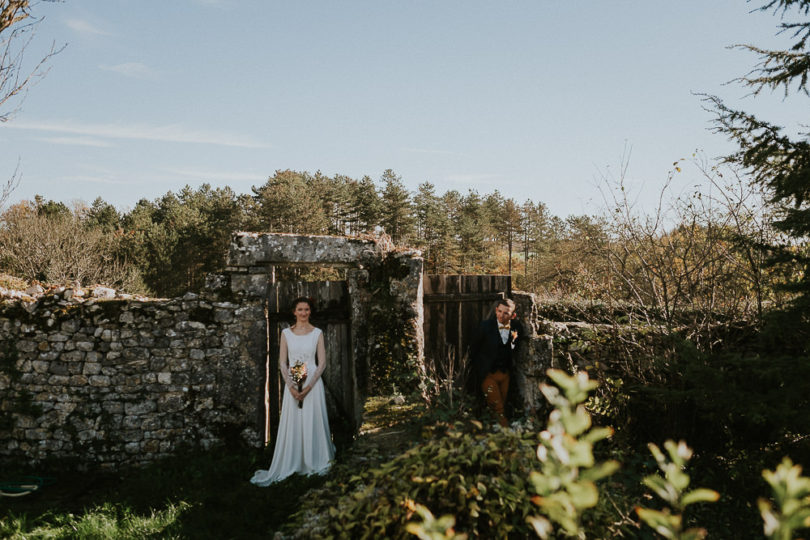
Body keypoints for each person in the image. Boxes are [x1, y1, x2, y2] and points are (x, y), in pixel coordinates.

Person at [250, 297, 335, 486]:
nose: (303, 313)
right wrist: (291, 386)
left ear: (310, 312)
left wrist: (309, 387)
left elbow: (322, 363)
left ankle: (316, 460)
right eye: (300, 309)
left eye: (306, 309)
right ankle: (293, 461)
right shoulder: (286, 333)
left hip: (312, 381)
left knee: (312, 419)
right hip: (294, 377)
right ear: (294, 312)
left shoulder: (317, 333)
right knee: (295, 420)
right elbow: (282, 362)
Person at [470, 298, 523, 427]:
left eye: (506, 313)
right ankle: (506, 434)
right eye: (499, 311)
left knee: (502, 406)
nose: (501, 315)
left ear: (513, 315)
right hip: (488, 375)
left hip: (505, 374)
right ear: (495, 310)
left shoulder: (517, 327)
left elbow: (516, 347)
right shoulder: (485, 326)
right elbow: (474, 349)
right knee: (497, 407)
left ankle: (493, 431)